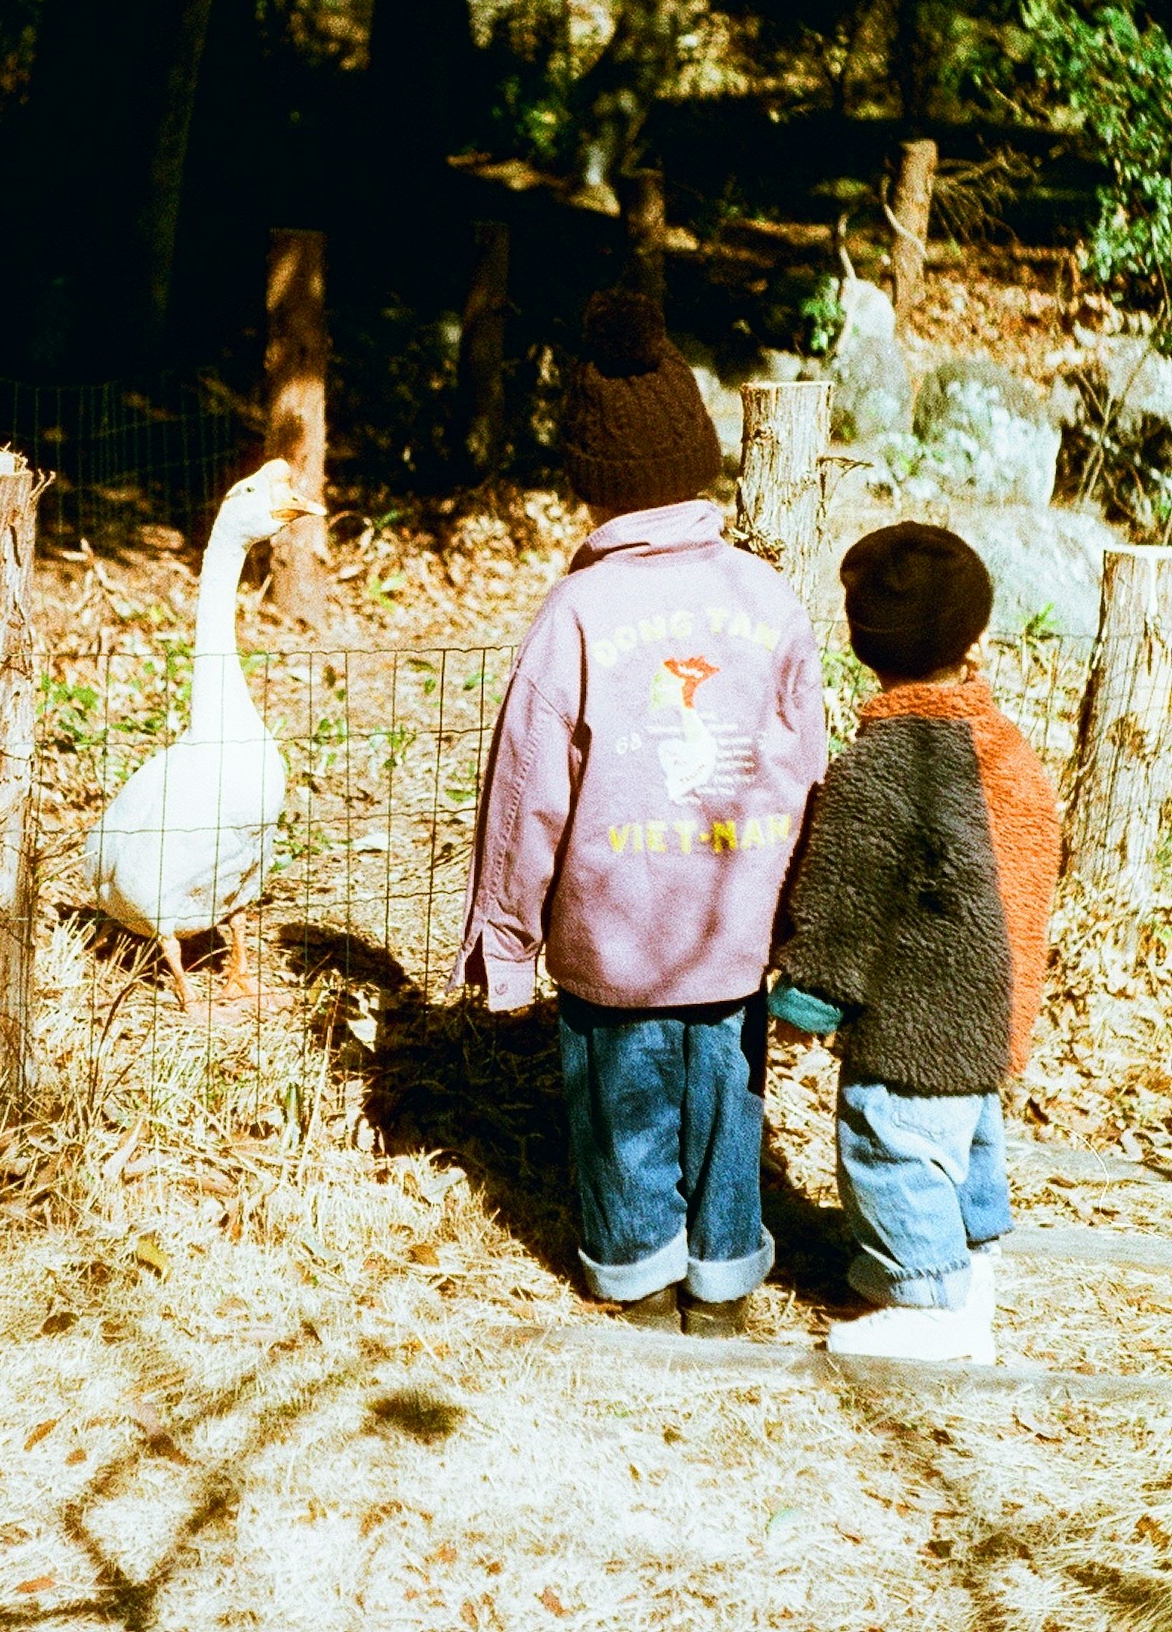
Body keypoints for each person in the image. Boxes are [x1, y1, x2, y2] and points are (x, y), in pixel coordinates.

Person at [451, 290, 827, 1335]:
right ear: (700, 456)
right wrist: (801, 921)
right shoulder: (769, 600)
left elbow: (525, 796)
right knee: (727, 1106)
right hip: (736, 933)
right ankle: (724, 1275)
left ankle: (637, 1274)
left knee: (624, 1120)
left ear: (590, 483)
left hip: (613, 942)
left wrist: (509, 946)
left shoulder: (573, 613)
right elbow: (810, 773)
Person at [769, 522, 1061, 1364]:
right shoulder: (1000, 740)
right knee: (965, 1135)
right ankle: (968, 1263)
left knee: (890, 1137)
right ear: (974, 638)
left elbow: (848, 894)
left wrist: (811, 995)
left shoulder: (882, 761)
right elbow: (1035, 842)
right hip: (994, 997)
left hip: (921, 1011)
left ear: (864, 646)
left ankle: (925, 1297)